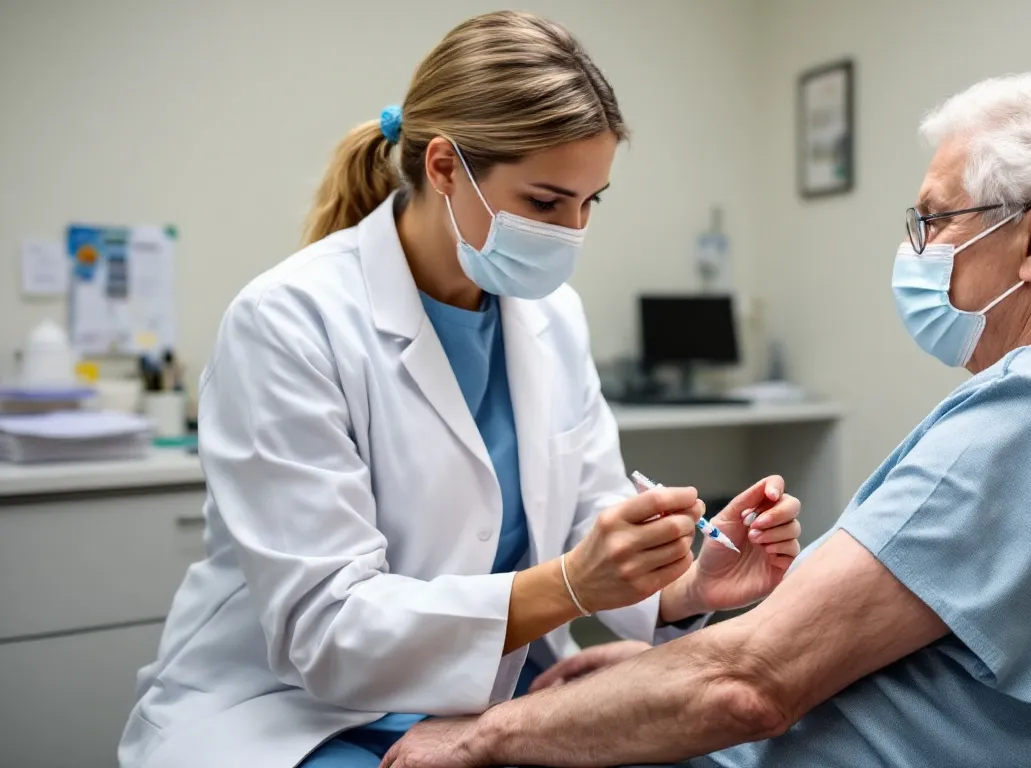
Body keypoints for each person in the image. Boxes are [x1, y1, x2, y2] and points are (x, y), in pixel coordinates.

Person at [375, 71, 1031, 768]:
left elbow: (746, 686)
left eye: (934, 221)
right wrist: (657, 663)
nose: (917, 250)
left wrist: (483, 739)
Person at [118, 11, 802, 768]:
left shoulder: (551, 316)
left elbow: (588, 515)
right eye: (546, 202)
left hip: (504, 693)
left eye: (590, 202)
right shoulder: (289, 319)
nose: (572, 232)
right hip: (304, 710)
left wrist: (684, 585)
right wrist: (571, 585)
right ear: (443, 168)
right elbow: (324, 627)